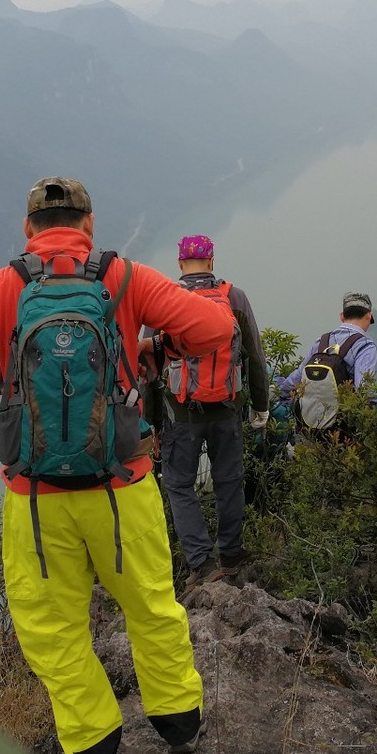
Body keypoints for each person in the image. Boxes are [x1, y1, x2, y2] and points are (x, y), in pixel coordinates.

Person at [0, 177, 231, 754]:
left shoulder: (2, 288)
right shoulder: (124, 278)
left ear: (28, 229)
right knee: (152, 607)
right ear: (90, 224)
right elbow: (215, 332)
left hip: (36, 502)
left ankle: (95, 751)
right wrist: (151, 349)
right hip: (122, 486)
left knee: (53, 629)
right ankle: (179, 723)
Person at [157, 234, 270, 589]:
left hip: (180, 414)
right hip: (227, 408)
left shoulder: (164, 299)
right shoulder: (233, 297)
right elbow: (254, 354)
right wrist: (261, 406)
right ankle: (232, 555)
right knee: (229, 481)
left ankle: (202, 564)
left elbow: (148, 364)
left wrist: (150, 423)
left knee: (178, 484)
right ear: (211, 261)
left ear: (179, 264)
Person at [278, 291, 377, 399]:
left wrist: (279, 393)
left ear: (342, 316)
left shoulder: (321, 341)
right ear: (368, 316)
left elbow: (297, 377)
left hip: (311, 412)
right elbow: (364, 388)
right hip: (342, 413)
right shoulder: (365, 346)